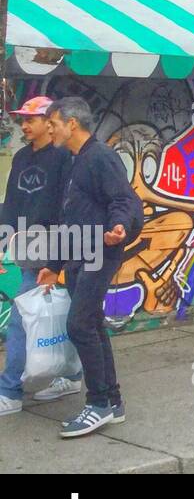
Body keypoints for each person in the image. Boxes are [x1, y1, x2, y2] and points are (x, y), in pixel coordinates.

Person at [39, 97, 143, 439]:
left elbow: (125, 200)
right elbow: (67, 217)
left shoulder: (100, 157)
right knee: (93, 325)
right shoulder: (74, 160)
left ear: (72, 124)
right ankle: (112, 402)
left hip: (101, 250)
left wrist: (119, 227)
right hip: (79, 255)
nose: (48, 129)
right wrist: (54, 266)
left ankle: (97, 403)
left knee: (79, 323)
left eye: (52, 122)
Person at [0, 98, 81, 417]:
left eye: (30, 119)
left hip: (57, 248)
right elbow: (11, 204)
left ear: (50, 122)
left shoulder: (65, 158)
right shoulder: (21, 156)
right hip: (26, 247)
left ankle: (9, 391)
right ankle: (72, 375)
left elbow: (68, 206)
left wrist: (60, 254)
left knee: (22, 317)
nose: (24, 125)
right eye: (22, 119)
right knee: (59, 313)